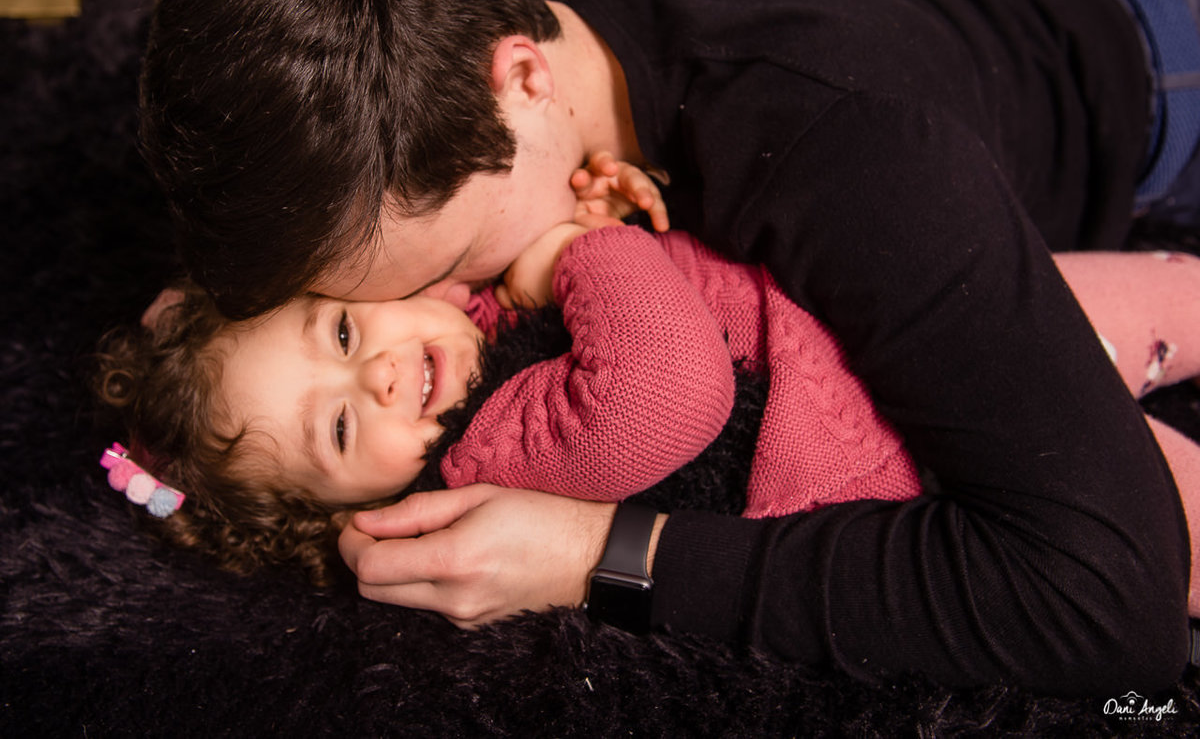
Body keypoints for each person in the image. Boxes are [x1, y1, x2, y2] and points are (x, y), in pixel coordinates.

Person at [135, 0, 1200, 690]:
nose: (455, 307)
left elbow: (1112, 605)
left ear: (522, 79)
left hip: (1168, 73)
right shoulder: (416, 37)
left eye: (446, 269)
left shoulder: (856, 158)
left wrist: (594, 555)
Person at [98, 220, 1200, 610]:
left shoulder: (473, 295)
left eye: (343, 335)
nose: (378, 378)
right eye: (340, 430)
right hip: (889, 431)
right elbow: (670, 392)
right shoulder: (492, 445)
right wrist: (581, 247)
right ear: (346, 508)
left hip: (877, 315)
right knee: (1158, 523)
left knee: (1160, 294)